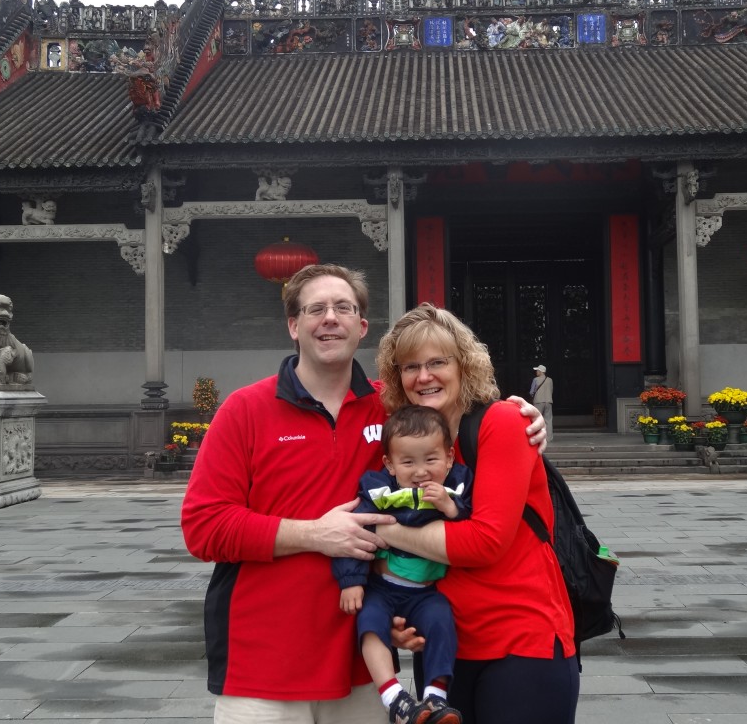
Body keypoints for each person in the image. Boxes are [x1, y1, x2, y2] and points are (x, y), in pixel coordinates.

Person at [181, 264, 546, 724]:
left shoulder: (397, 411)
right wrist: (314, 534)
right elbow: (203, 527)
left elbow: (457, 435)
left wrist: (522, 415)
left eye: (344, 308)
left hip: (365, 669)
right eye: (316, 309)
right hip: (263, 670)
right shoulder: (245, 410)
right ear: (294, 326)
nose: (330, 318)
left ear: (363, 327)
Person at [376, 304, 579, 724]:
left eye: (437, 362)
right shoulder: (407, 440)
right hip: (443, 649)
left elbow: (484, 543)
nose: (424, 376)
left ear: (464, 366)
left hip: (520, 643)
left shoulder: (502, 422)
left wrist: (381, 528)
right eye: (410, 366)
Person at [333, 405, 469, 724]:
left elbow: (476, 520)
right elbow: (354, 529)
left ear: (449, 458)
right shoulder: (379, 490)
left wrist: (451, 507)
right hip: (382, 588)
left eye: (431, 460)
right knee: (369, 626)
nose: (421, 471)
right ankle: (394, 697)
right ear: (390, 464)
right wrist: (350, 581)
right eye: (408, 462)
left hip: (426, 592)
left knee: (442, 624)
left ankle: (436, 696)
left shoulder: (456, 486)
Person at [530, 364, 554, 441]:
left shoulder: (535, 380)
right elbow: (551, 390)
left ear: (541, 371)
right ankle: (549, 438)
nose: (536, 372)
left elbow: (531, 392)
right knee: (548, 420)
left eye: (537, 370)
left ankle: (538, 437)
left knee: (537, 419)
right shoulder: (550, 380)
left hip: (538, 401)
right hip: (548, 401)